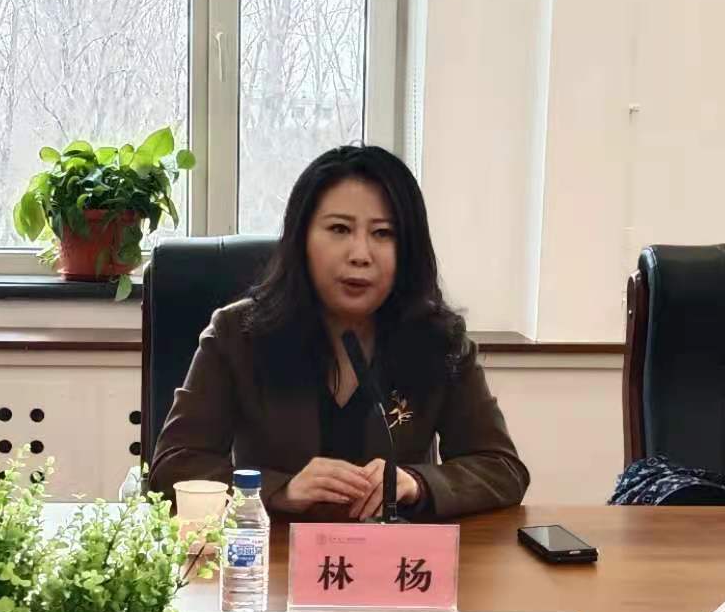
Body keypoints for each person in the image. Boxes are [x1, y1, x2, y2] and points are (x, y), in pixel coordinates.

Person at [149, 144, 530, 520]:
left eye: (383, 233)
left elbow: (502, 468)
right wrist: (281, 490)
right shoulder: (238, 334)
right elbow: (173, 467)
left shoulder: (438, 338)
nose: (360, 254)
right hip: (272, 553)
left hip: (392, 554)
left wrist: (417, 483)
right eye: (339, 229)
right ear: (301, 239)